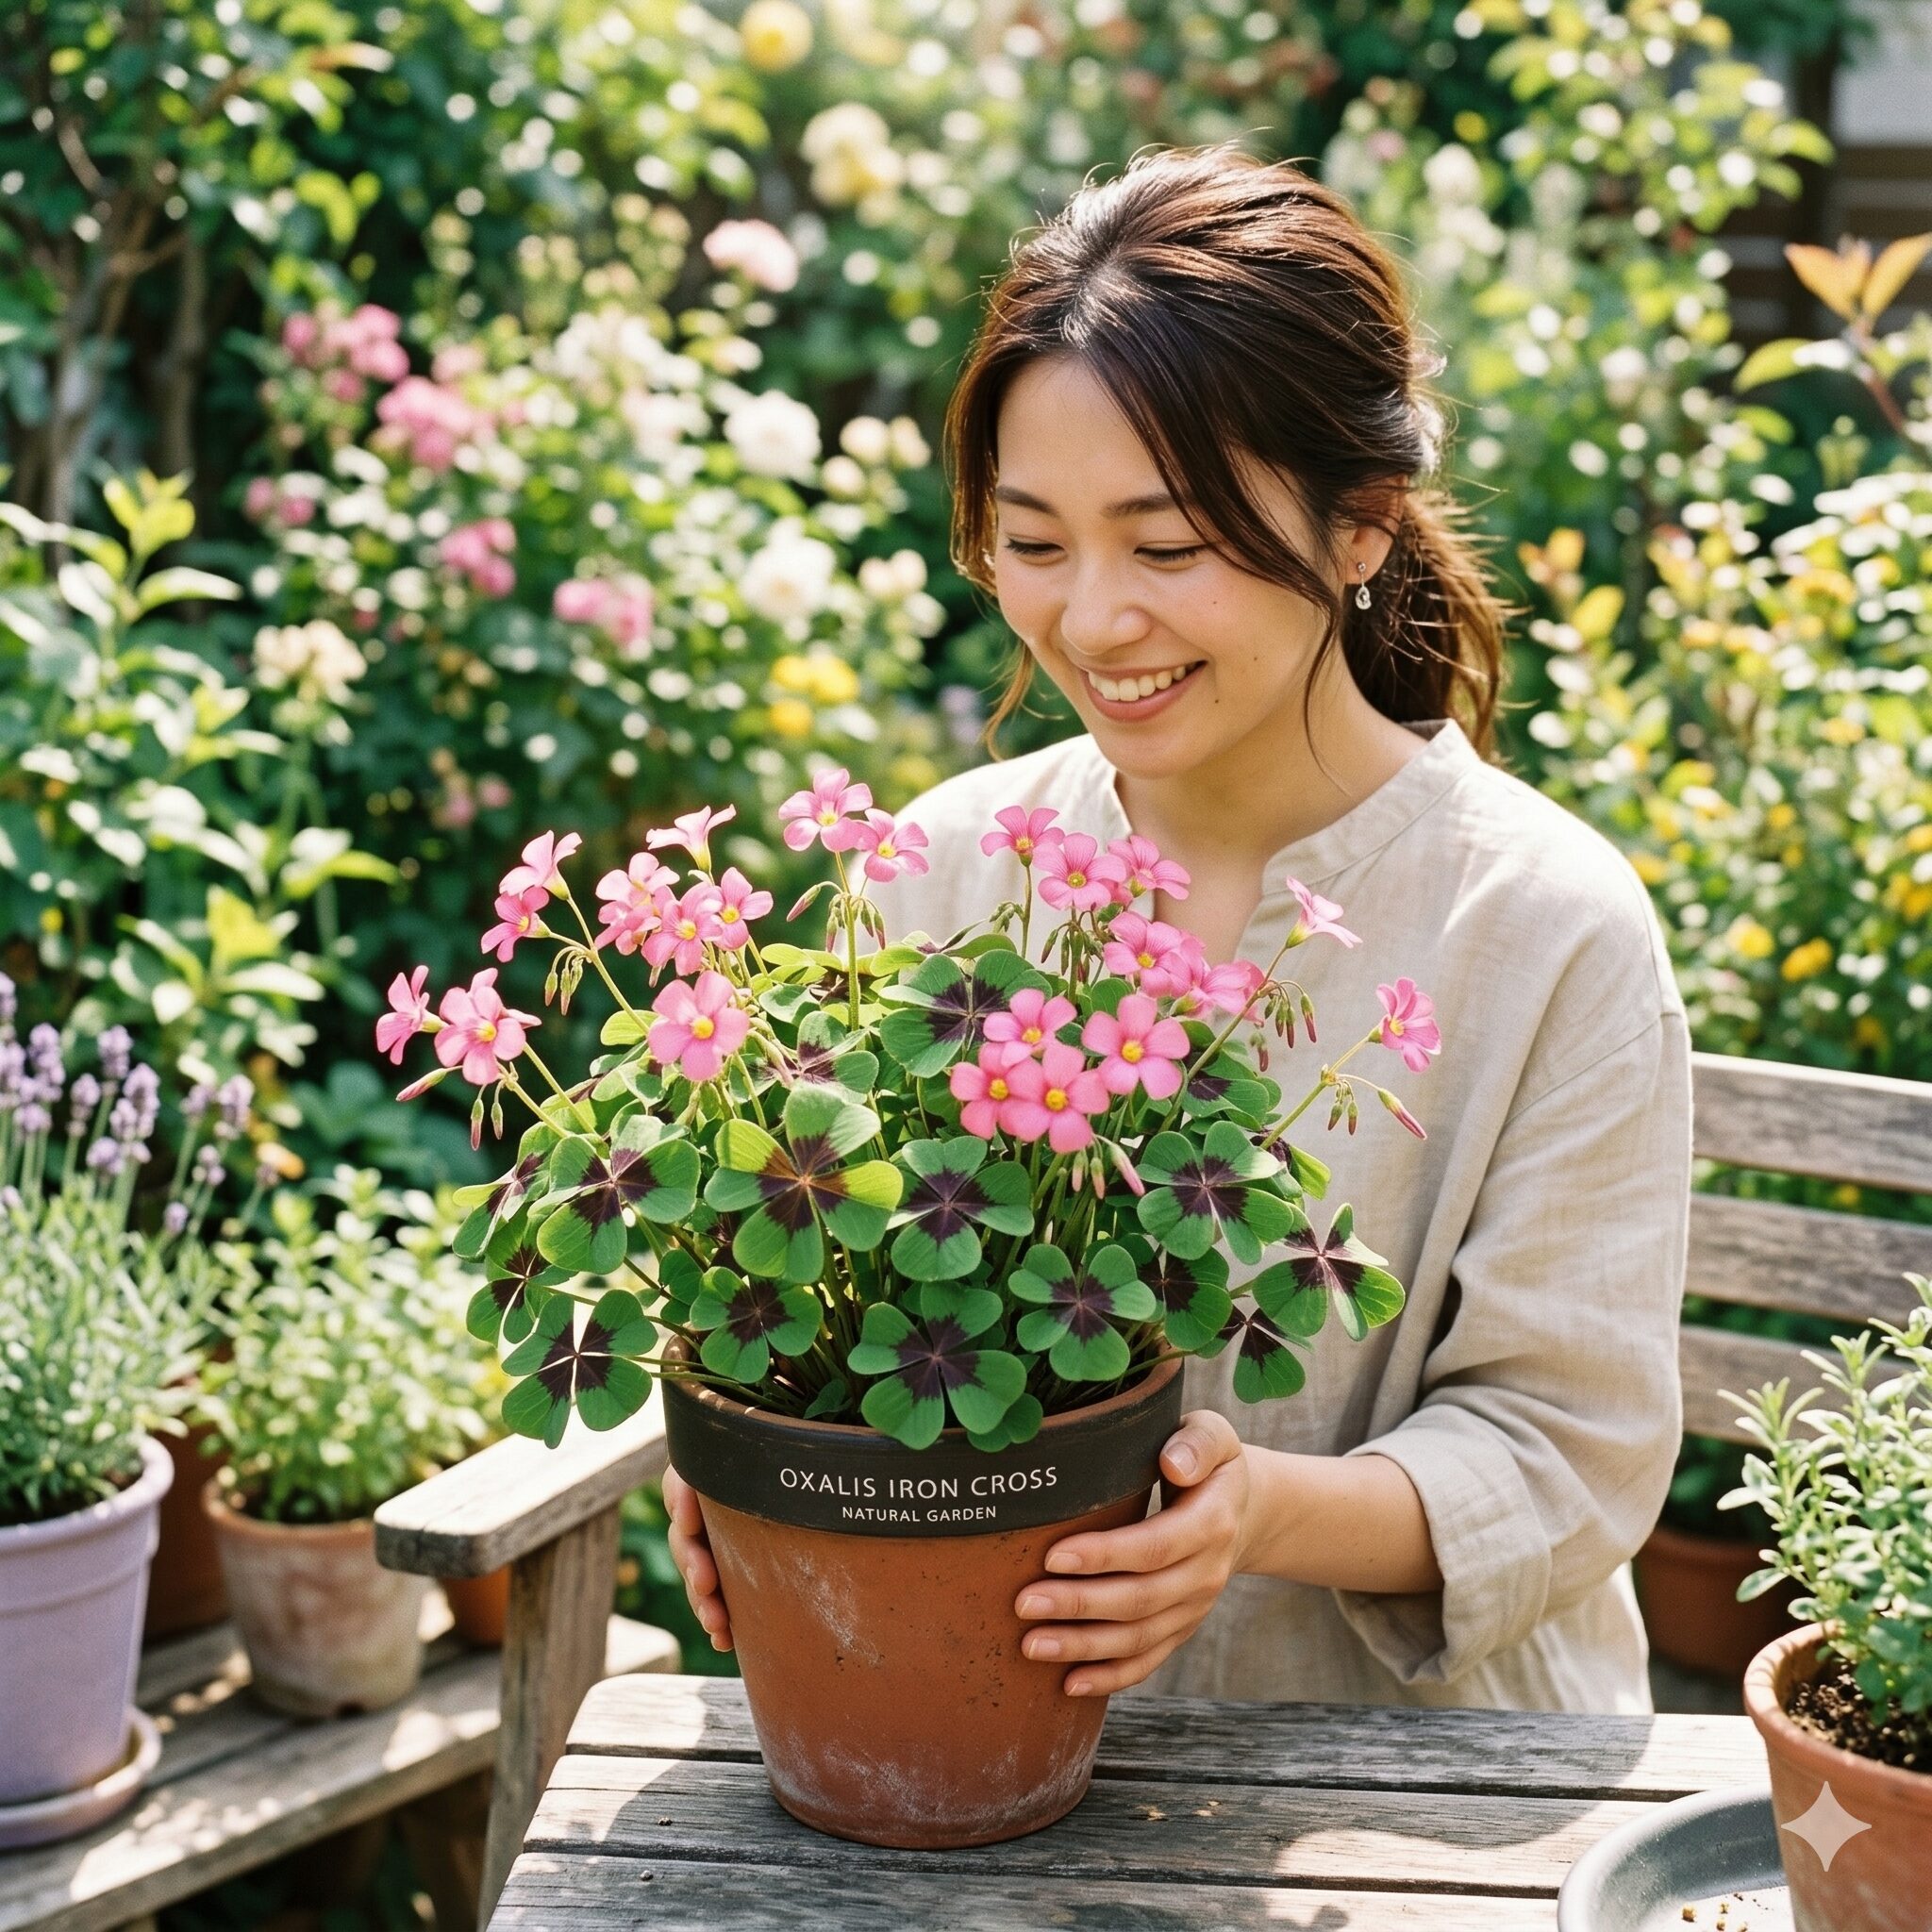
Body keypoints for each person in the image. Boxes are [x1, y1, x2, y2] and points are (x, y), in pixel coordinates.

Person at [665, 144, 1691, 1716]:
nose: (1091, 620)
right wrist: (756, 1449)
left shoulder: (1545, 925)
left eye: (1167, 546)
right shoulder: (944, 869)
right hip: (963, 1735)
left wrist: (1252, 1516)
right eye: (1035, 542)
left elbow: (1568, 1453)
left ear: (1362, 525)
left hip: (1432, 1787)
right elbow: (828, 1288)